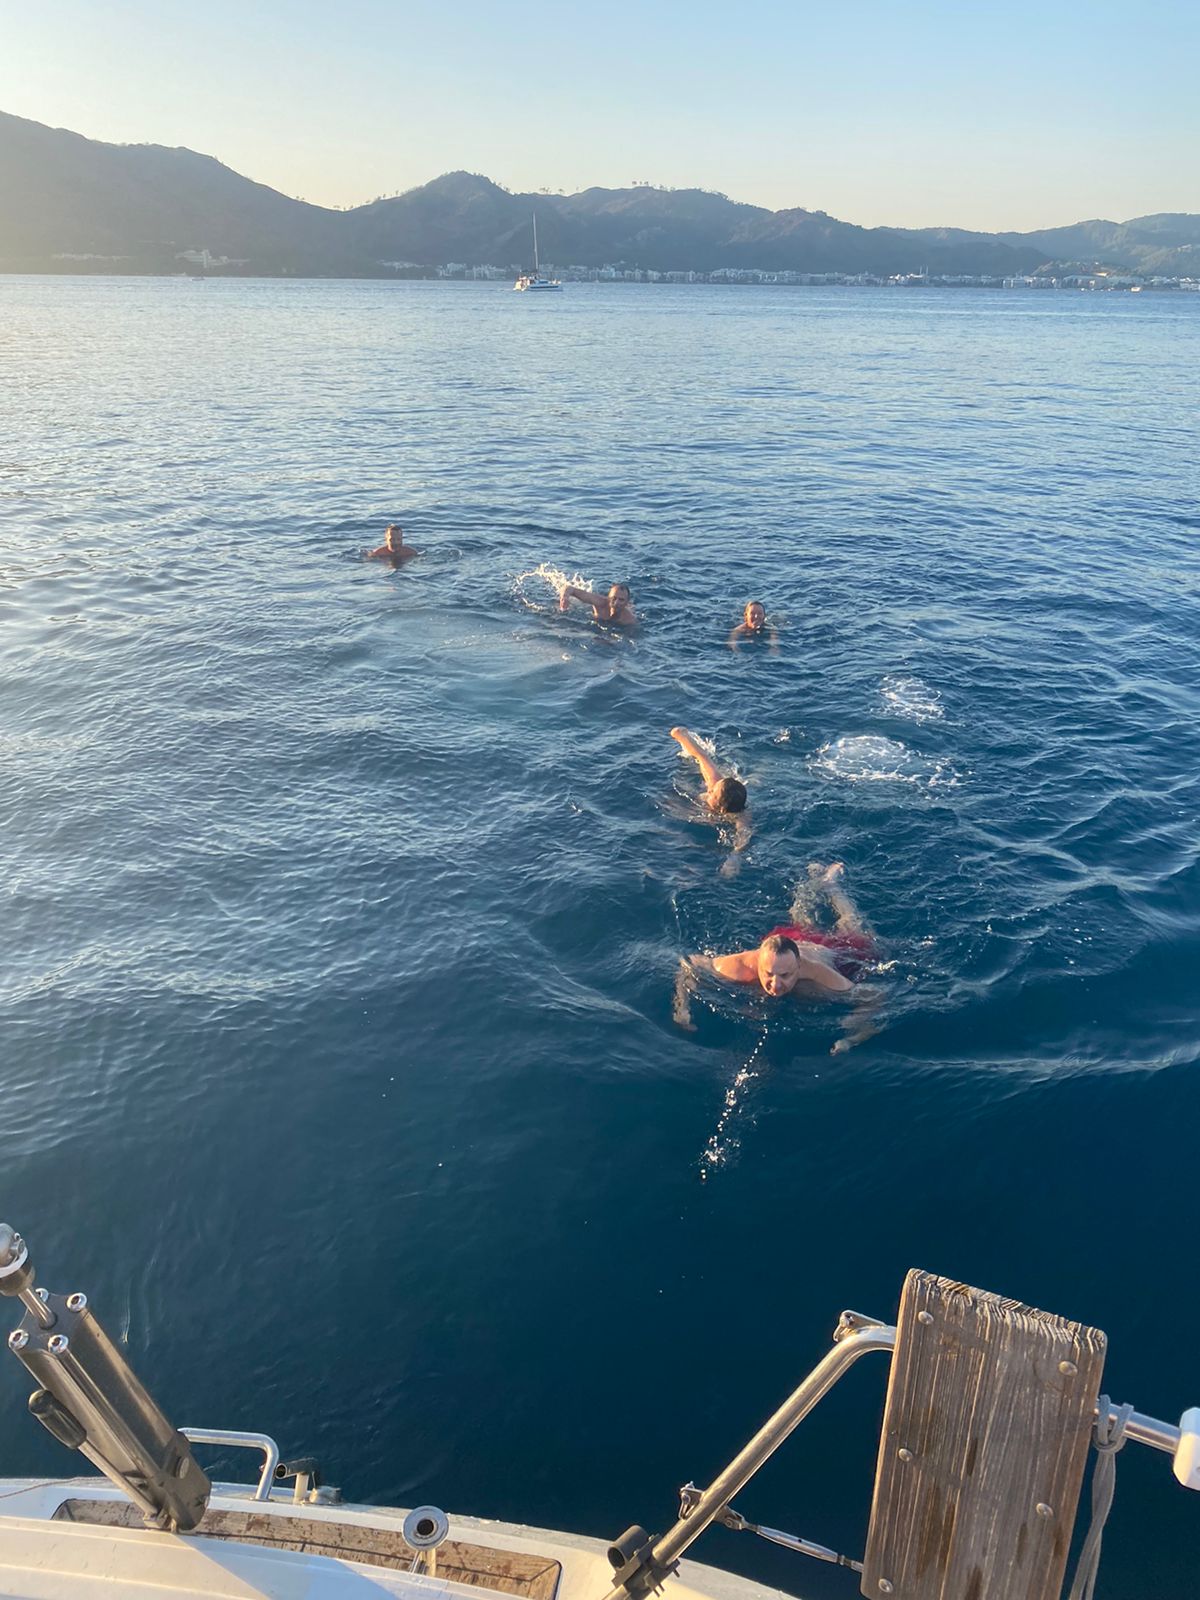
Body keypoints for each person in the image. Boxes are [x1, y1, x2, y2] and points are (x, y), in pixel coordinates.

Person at [673, 863, 882, 1051]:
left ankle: (831, 885)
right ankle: (810, 886)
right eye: (768, 974)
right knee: (801, 921)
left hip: (829, 952)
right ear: (758, 964)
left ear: (798, 968)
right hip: (789, 942)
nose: (775, 984)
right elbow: (689, 964)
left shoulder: (817, 974)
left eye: (784, 975)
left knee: (856, 928)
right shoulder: (739, 967)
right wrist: (681, 1007)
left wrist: (852, 1034)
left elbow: (874, 996)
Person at [668, 727, 747, 815]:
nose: (709, 790)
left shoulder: (739, 817)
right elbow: (701, 756)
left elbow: (743, 827)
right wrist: (682, 736)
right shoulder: (715, 784)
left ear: (721, 808)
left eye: (713, 792)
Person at [559, 582, 637, 626]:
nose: (616, 603)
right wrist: (565, 598)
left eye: (621, 600)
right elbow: (569, 588)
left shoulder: (629, 619)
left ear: (626, 602)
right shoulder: (600, 602)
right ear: (608, 597)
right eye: (614, 598)